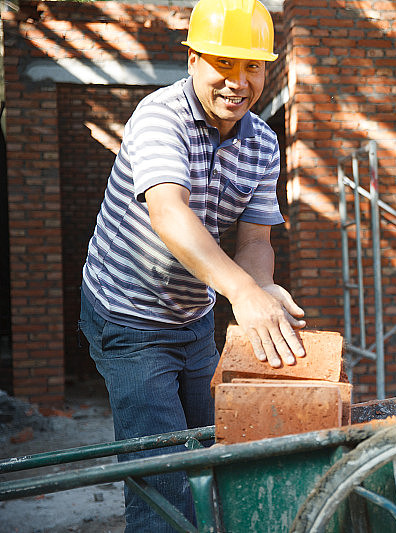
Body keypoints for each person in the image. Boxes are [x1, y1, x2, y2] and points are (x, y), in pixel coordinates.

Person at [78, 0, 305, 530]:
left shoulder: (262, 141)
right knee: (164, 481)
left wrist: (262, 291)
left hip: (193, 317)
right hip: (127, 318)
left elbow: (254, 238)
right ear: (192, 60)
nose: (237, 82)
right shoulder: (161, 117)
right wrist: (241, 293)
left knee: (211, 455)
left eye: (251, 66)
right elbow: (169, 212)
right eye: (222, 63)